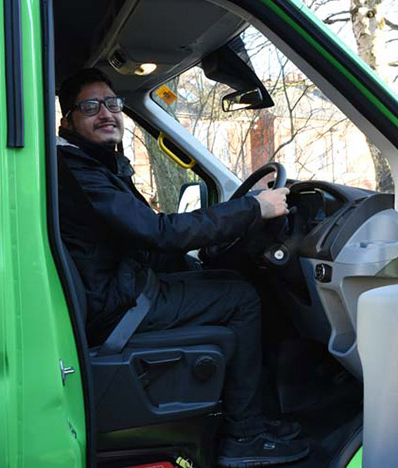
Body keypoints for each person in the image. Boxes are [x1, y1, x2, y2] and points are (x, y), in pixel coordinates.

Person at [57, 68, 309, 467]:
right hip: (114, 305)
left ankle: (255, 417)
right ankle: (244, 434)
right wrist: (253, 207)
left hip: (115, 286)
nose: (105, 113)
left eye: (111, 103)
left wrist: (193, 260)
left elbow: (141, 238)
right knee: (241, 297)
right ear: (67, 120)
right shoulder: (78, 169)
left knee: (227, 279)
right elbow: (157, 232)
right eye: (89, 106)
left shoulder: (95, 162)